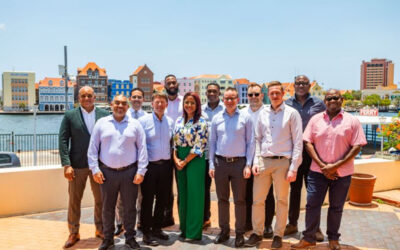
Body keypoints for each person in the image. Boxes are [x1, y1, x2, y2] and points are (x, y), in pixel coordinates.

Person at [292, 90, 367, 250]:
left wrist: (335, 165)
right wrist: (322, 165)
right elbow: (308, 142)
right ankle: (309, 238)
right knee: (312, 205)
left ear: (342, 100)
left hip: (342, 174)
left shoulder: (352, 121)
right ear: (325, 101)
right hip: (317, 172)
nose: (332, 100)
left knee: (336, 207)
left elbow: (357, 146)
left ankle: (333, 239)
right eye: (329, 98)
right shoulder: (316, 119)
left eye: (335, 98)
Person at [245, 81, 303, 249]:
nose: (275, 96)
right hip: (263, 161)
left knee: (282, 201)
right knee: (258, 200)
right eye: (272, 93)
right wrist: (256, 161)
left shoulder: (292, 114)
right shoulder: (262, 113)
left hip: (283, 163)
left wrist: (294, 167)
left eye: (278, 92)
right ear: (268, 95)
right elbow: (257, 139)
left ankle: (279, 234)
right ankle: (257, 233)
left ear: (283, 93)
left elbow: (298, 143)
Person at [87, 95, 148, 250]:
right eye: (117, 103)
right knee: (107, 208)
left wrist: (141, 171)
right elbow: (92, 148)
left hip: (130, 172)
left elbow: (142, 149)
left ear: (127, 106)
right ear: (111, 105)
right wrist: (95, 169)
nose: (120, 106)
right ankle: (108, 239)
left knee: (130, 207)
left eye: (123, 104)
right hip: (107, 173)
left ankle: (130, 238)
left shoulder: (135, 125)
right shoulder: (101, 123)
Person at [59, 86, 109, 248]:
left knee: (101, 199)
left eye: (89, 95)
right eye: (83, 96)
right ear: (78, 98)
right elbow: (63, 140)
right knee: (74, 200)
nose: (87, 98)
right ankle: (74, 232)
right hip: (77, 165)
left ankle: (100, 229)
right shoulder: (70, 115)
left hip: (98, 166)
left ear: (95, 97)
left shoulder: (104, 115)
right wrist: (66, 164)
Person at [209, 87, 255, 248]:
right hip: (220, 163)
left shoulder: (246, 117)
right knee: (222, 199)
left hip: (239, 164)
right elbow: (212, 142)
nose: (229, 101)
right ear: (223, 99)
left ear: (238, 99)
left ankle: (240, 233)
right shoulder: (216, 118)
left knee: (240, 200)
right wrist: (211, 164)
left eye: (232, 98)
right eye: (227, 98)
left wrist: (248, 164)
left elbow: (251, 143)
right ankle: (224, 231)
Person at [284, 75, 326, 240]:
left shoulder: (318, 103)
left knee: (313, 192)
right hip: (293, 153)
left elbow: (326, 123)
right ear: (294, 85)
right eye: (298, 83)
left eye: (304, 83)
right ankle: (292, 223)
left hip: (312, 153)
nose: (301, 85)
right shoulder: (287, 103)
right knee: (294, 191)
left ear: (309, 85)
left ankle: (315, 227)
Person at [138, 92, 174, 246]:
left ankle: (157, 228)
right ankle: (146, 232)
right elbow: (139, 146)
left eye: (162, 102)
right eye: (157, 102)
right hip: (150, 167)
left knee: (162, 200)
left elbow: (173, 143)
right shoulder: (143, 121)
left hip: (166, 166)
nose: (160, 105)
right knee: (147, 200)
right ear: (152, 104)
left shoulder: (171, 121)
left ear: (166, 104)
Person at [241, 83, 275, 238]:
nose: (253, 97)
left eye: (256, 94)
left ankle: (267, 225)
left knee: (267, 194)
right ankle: (249, 222)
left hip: (265, 159)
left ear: (262, 95)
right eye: (250, 95)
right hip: (246, 159)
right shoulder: (242, 113)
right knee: (247, 193)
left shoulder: (269, 112)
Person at [173, 92, 208, 241]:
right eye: (186, 102)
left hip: (194, 158)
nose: (189, 105)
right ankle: (184, 228)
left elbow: (200, 145)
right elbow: (174, 142)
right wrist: (176, 158)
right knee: (183, 194)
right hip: (179, 157)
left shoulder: (201, 122)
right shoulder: (179, 120)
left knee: (195, 195)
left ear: (197, 105)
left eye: (192, 103)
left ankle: (193, 232)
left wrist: (185, 161)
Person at [114, 87, 148, 236]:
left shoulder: (147, 117)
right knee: (120, 199)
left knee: (141, 196)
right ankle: (119, 223)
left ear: (143, 100)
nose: (136, 99)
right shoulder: (121, 115)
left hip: (138, 164)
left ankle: (140, 221)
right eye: (133, 97)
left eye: (139, 97)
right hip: (123, 164)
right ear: (129, 100)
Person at [201, 82, 224, 229]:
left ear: (219, 93)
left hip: (221, 154)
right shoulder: (201, 110)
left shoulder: (225, 109)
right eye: (209, 91)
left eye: (214, 91)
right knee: (204, 189)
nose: (211, 94)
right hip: (204, 154)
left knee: (223, 191)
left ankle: (226, 223)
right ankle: (205, 218)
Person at [163, 74, 183, 227]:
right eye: (168, 83)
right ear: (165, 85)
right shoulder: (161, 102)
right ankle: (167, 217)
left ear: (177, 84)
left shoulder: (184, 101)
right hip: (164, 148)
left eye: (173, 82)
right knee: (166, 186)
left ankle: (184, 218)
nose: (171, 85)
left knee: (182, 185)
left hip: (182, 148)